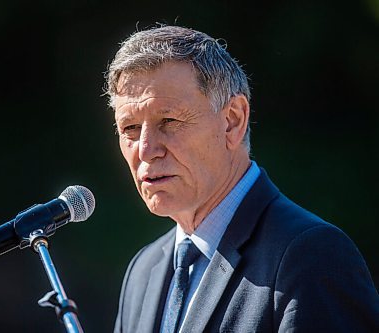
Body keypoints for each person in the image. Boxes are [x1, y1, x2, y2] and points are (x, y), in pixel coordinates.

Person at [104, 24, 378, 333]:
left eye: (168, 120)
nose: (146, 150)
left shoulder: (312, 256)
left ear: (232, 121)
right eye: (130, 128)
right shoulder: (144, 270)